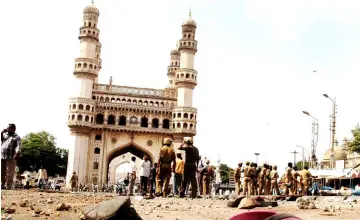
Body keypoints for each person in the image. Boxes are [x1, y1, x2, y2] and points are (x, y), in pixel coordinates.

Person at [1, 124, 21, 190]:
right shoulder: (5, 135)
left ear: (13, 129)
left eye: (8, 128)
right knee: (2, 171)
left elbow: (18, 146)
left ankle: (8, 186)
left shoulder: (17, 137)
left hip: (11, 156)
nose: (7, 129)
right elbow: (1, 140)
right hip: (2, 156)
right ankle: (2, 184)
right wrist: (1, 133)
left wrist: (17, 152)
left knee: (9, 172)